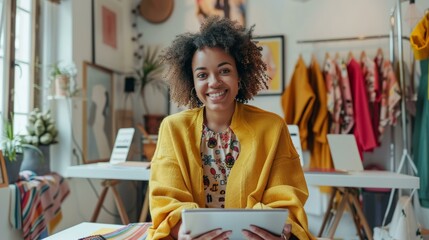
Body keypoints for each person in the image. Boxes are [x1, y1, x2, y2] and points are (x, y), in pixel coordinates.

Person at [148, 16, 313, 240]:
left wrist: (281, 233)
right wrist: (183, 233)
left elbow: (287, 198)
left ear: (239, 76)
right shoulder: (172, 128)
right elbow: (165, 201)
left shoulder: (273, 127)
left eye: (224, 71)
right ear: (192, 82)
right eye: (202, 75)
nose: (214, 82)